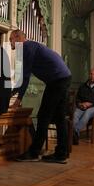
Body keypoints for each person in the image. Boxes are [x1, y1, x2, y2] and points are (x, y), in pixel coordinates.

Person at [10, 30, 72, 164]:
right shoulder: (31, 46)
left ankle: (34, 152)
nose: (10, 42)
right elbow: (22, 79)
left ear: (18, 38)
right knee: (59, 118)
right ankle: (62, 154)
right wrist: (11, 94)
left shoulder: (25, 47)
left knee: (44, 116)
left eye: (11, 39)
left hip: (57, 80)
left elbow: (24, 78)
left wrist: (17, 100)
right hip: (64, 77)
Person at [72, 69, 94, 145]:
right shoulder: (83, 86)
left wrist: (91, 104)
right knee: (76, 114)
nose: (92, 76)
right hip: (83, 106)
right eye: (91, 74)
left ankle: (73, 132)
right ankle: (75, 136)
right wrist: (80, 104)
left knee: (88, 112)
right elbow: (78, 98)